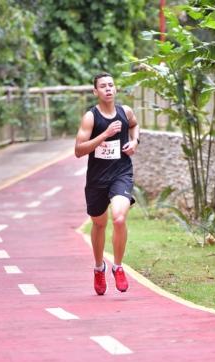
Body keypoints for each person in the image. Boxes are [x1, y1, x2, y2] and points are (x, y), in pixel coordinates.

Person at [75, 72, 140, 295]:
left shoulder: (125, 112)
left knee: (119, 218)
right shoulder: (91, 118)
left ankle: (118, 267)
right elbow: (78, 150)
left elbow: (134, 125)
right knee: (99, 224)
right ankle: (98, 267)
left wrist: (134, 141)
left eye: (111, 85)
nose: (108, 89)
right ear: (96, 91)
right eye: (103, 86)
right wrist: (104, 135)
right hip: (96, 179)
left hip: (121, 173)